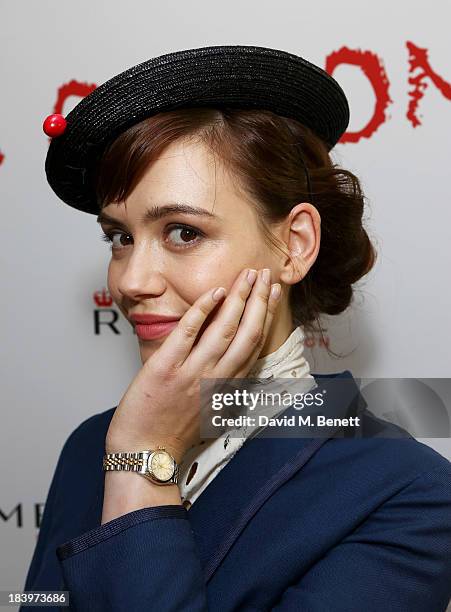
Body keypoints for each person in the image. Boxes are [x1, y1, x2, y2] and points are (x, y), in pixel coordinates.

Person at [22, 45, 451, 611]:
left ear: (294, 246)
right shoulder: (92, 445)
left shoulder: (407, 494)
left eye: (183, 232)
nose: (131, 281)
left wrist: (142, 465)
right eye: (120, 237)